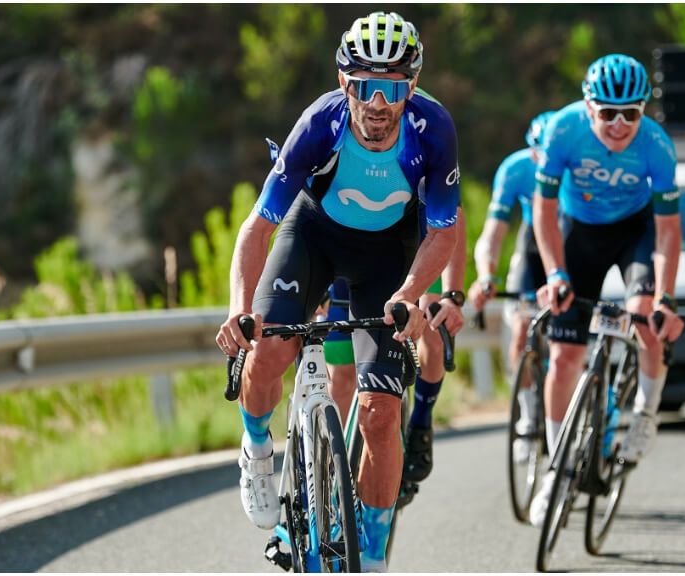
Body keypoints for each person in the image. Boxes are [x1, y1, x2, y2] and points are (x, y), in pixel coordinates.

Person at [214, 12, 460, 572]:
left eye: (393, 87)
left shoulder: (434, 130)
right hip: (314, 237)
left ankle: (371, 548)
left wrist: (411, 293)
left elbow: (444, 230)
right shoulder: (320, 124)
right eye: (366, 86)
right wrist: (239, 312)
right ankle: (256, 449)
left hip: (387, 258)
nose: (379, 102)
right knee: (268, 350)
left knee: (377, 413)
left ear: (412, 87)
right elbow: (257, 228)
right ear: (345, 83)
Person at [528, 54, 685, 526]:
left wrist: (667, 297)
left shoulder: (657, 145)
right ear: (587, 106)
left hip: (634, 234)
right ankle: (557, 471)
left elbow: (668, 231)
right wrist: (556, 274)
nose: (619, 125)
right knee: (562, 359)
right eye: (607, 113)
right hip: (579, 235)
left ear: (643, 111)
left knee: (644, 319)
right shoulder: (562, 130)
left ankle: (646, 411)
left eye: (630, 114)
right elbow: (542, 211)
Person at [322, 205, 467, 485]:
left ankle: (421, 424)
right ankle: (327, 482)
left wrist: (452, 296)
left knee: (433, 327)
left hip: (416, 248)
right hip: (349, 249)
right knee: (341, 378)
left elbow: (454, 216)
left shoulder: (420, 162)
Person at [467, 112, 557, 462]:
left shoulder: (579, 169)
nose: (543, 164)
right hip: (534, 246)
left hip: (572, 242)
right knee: (520, 329)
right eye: (538, 154)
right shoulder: (516, 169)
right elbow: (493, 233)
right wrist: (486, 275)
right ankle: (529, 417)